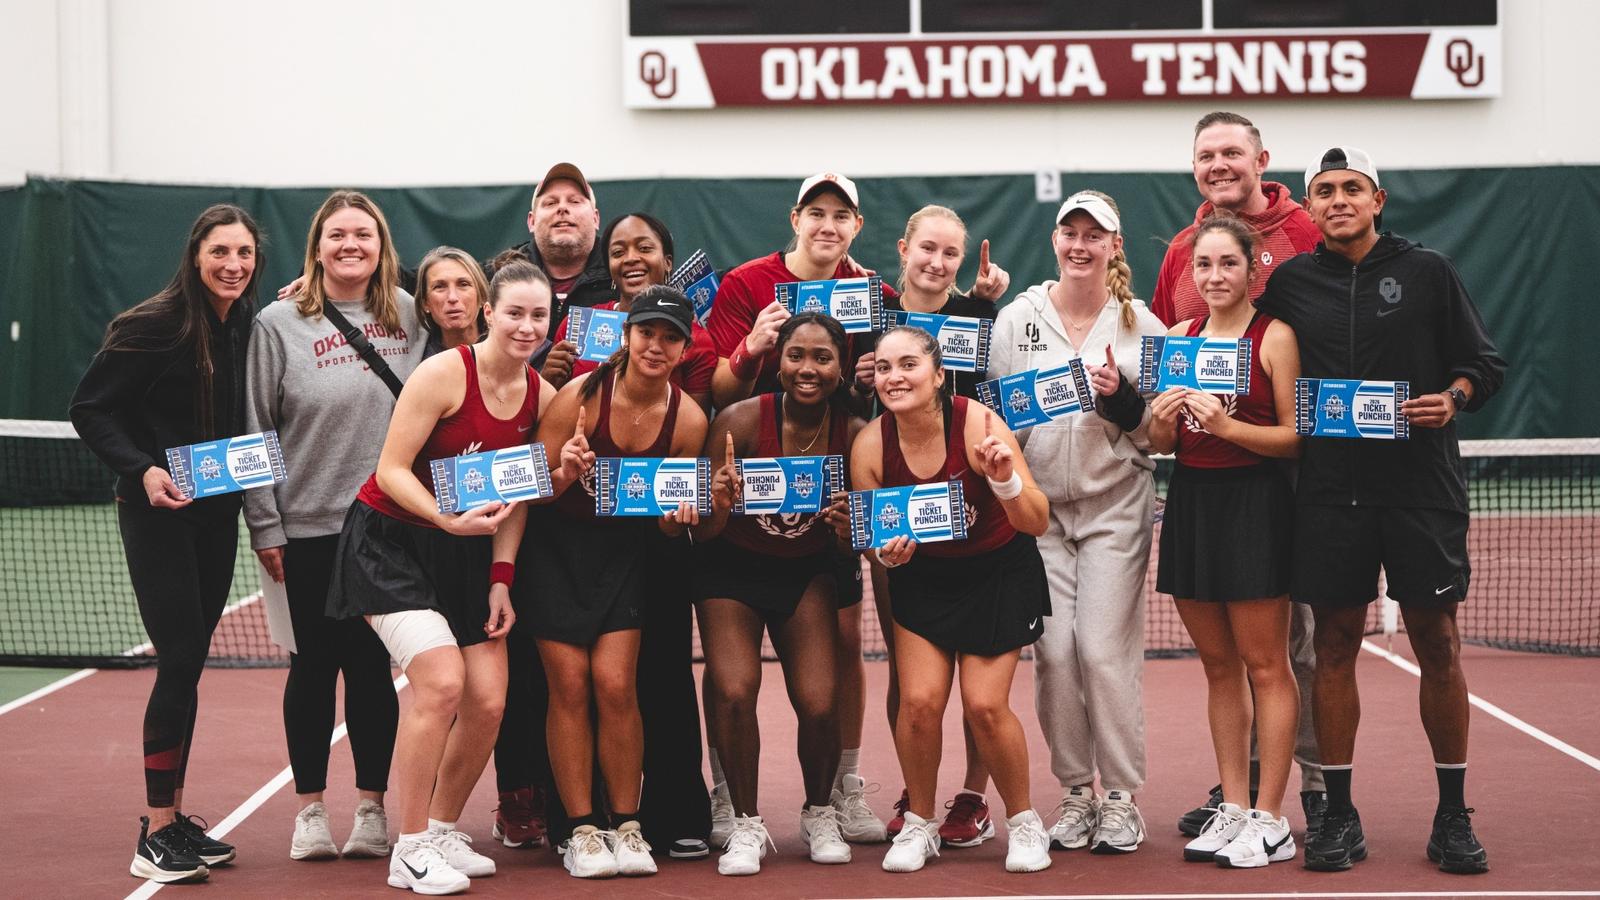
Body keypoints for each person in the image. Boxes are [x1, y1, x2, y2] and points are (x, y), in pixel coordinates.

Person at [704, 173, 1009, 847]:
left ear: (859, 228)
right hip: (864, 495)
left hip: (957, 504)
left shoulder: (902, 302)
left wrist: (981, 307)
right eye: (817, 211)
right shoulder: (776, 292)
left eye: (841, 214)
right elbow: (718, 380)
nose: (828, 223)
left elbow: (982, 383)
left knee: (951, 667)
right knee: (869, 649)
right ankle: (833, 792)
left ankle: (931, 797)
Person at [1256, 147, 1506, 874]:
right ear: (1312, 205)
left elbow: (1483, 365)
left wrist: (1451, 399)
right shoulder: (1294, 283)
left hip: (1421, 488)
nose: (1337, 200)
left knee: (1438, 643)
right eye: (1324, 190)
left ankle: (1453, 816)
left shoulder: (1427, 272)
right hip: (1331, 494)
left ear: (1377, 200)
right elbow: (1244, 337)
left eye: (1351, 189)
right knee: (1333, 646)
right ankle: (1338, 814)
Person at [324, 260, 569, 895]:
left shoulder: (541, 396)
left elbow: (516, 498)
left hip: (466, 558)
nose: (526, 326)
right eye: (514, 312)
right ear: (489, 311)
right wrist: (446, 518)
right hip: (390, 543)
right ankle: (408, 849)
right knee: (440, 683)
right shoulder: (442, 374)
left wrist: (501, 579)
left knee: (488, 699)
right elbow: (393, 469)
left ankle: (438, 829)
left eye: (538, 315)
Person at [70, 204, 262, 884]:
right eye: (221, 252)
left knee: (191, 661)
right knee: (179, 658)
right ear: (195, 254)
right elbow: (90, 408)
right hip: (157, 513)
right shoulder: (153, 324)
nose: (233, 264)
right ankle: (153, 830)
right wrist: (142, 468)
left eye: (244, 253)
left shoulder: (242, 321)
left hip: (216, 513)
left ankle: (175, 818)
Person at [1153, 110, 1327, 839]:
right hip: (1196, 499)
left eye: (1231, 152)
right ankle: (1236, 801)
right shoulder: (1181, 303)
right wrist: (1160, 417)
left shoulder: (1304, 244)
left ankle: (1290, 802)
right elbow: (1158, 425)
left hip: (1271, 497)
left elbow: (1299, 431)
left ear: (1260, 158)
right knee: (1223, 668)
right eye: (1206, 154)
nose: (1213, 273)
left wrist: (1229, 427)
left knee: (1286, 657)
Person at [244, 191, 423, 863]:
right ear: (316, 246)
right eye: (338, 235)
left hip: (387, 529)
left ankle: (373, 811)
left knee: (374, 672)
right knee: (311, 671)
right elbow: (257, 426)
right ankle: (310, 812)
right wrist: (265, 524)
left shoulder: (411, 315)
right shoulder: (276, 322)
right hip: (306, 529)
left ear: (382, 247)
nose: (351, 245)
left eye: (364, 235)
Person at [987, 190, 1166, 855]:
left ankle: (1120, 797)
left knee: (1101, 650)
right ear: (1055, 241)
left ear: (1115, 246)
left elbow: (1159, 434)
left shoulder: (1143, 326)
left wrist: (1123, 403)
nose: (1081, 244)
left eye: (1096, 235)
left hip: (1115, 505)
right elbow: (996, 412)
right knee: (1055, 654)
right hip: (1039, 514)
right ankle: (1075, 794)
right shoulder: (1017, 320)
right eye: (1071, 232)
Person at [539, 211, 716, 858]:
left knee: (627, 685)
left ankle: (638, 822)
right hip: (561, 552)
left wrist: (677, 519)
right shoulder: (578, 398)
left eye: (670, 337)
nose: (655, 346)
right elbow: (536, 491)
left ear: (683, 345)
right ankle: (578, 828)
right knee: (570, 687)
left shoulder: (690, 420)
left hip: (633, 558)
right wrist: (567, 471)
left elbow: (673, 516)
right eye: (646, 332)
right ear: (626, 331)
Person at [851, 325, 1054, 874]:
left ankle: (1026, 823)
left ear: (938, 375)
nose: (896, 377)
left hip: (999, 573)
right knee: (918, 705)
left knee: (985, 707)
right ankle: (920, 824)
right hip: (926, 580)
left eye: (910, 365)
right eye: (886, 367)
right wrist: (887, 556)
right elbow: (874, 543)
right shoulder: (871, 445)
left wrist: (1006, 481)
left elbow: (1036, 520)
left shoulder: (981, 424)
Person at [692, 313, 866, 875]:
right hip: (730, 571)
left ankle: (819, 811)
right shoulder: (741, 421)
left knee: (819, 701)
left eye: (822, 357)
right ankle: (745, 822)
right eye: (796, 355)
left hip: (806, 573)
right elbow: (703, 532)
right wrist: (718, 504)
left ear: (841, 367)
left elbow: (853, 548)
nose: (807, 369)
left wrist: (848, 532)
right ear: (778, 360)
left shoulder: (855, 433)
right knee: (736, 690)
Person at [875, 206, 1005, 847]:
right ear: (904, 247)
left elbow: (994, 407)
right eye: (927, 247)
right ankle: (914, 793)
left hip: (974, 520)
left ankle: (972, 799)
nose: (936, 261)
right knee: (911, 677)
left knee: (981, 678)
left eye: (950, 253)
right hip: (894, 516)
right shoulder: (869, 316)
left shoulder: (981, 319)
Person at [544, 212, 717, 412]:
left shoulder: (697, 340)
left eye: (644, 248)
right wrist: (548, 382)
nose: (631, 258)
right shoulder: (575, 326)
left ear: (667, 262)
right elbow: (553, 415)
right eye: (618, 253)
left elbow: (694, 428)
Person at [415, 246, 488, 359]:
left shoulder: (511, 352)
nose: (452, 297)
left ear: (482, 296)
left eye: (463, 284)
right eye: (439, 287)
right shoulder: (416, 363)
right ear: (425, 303)